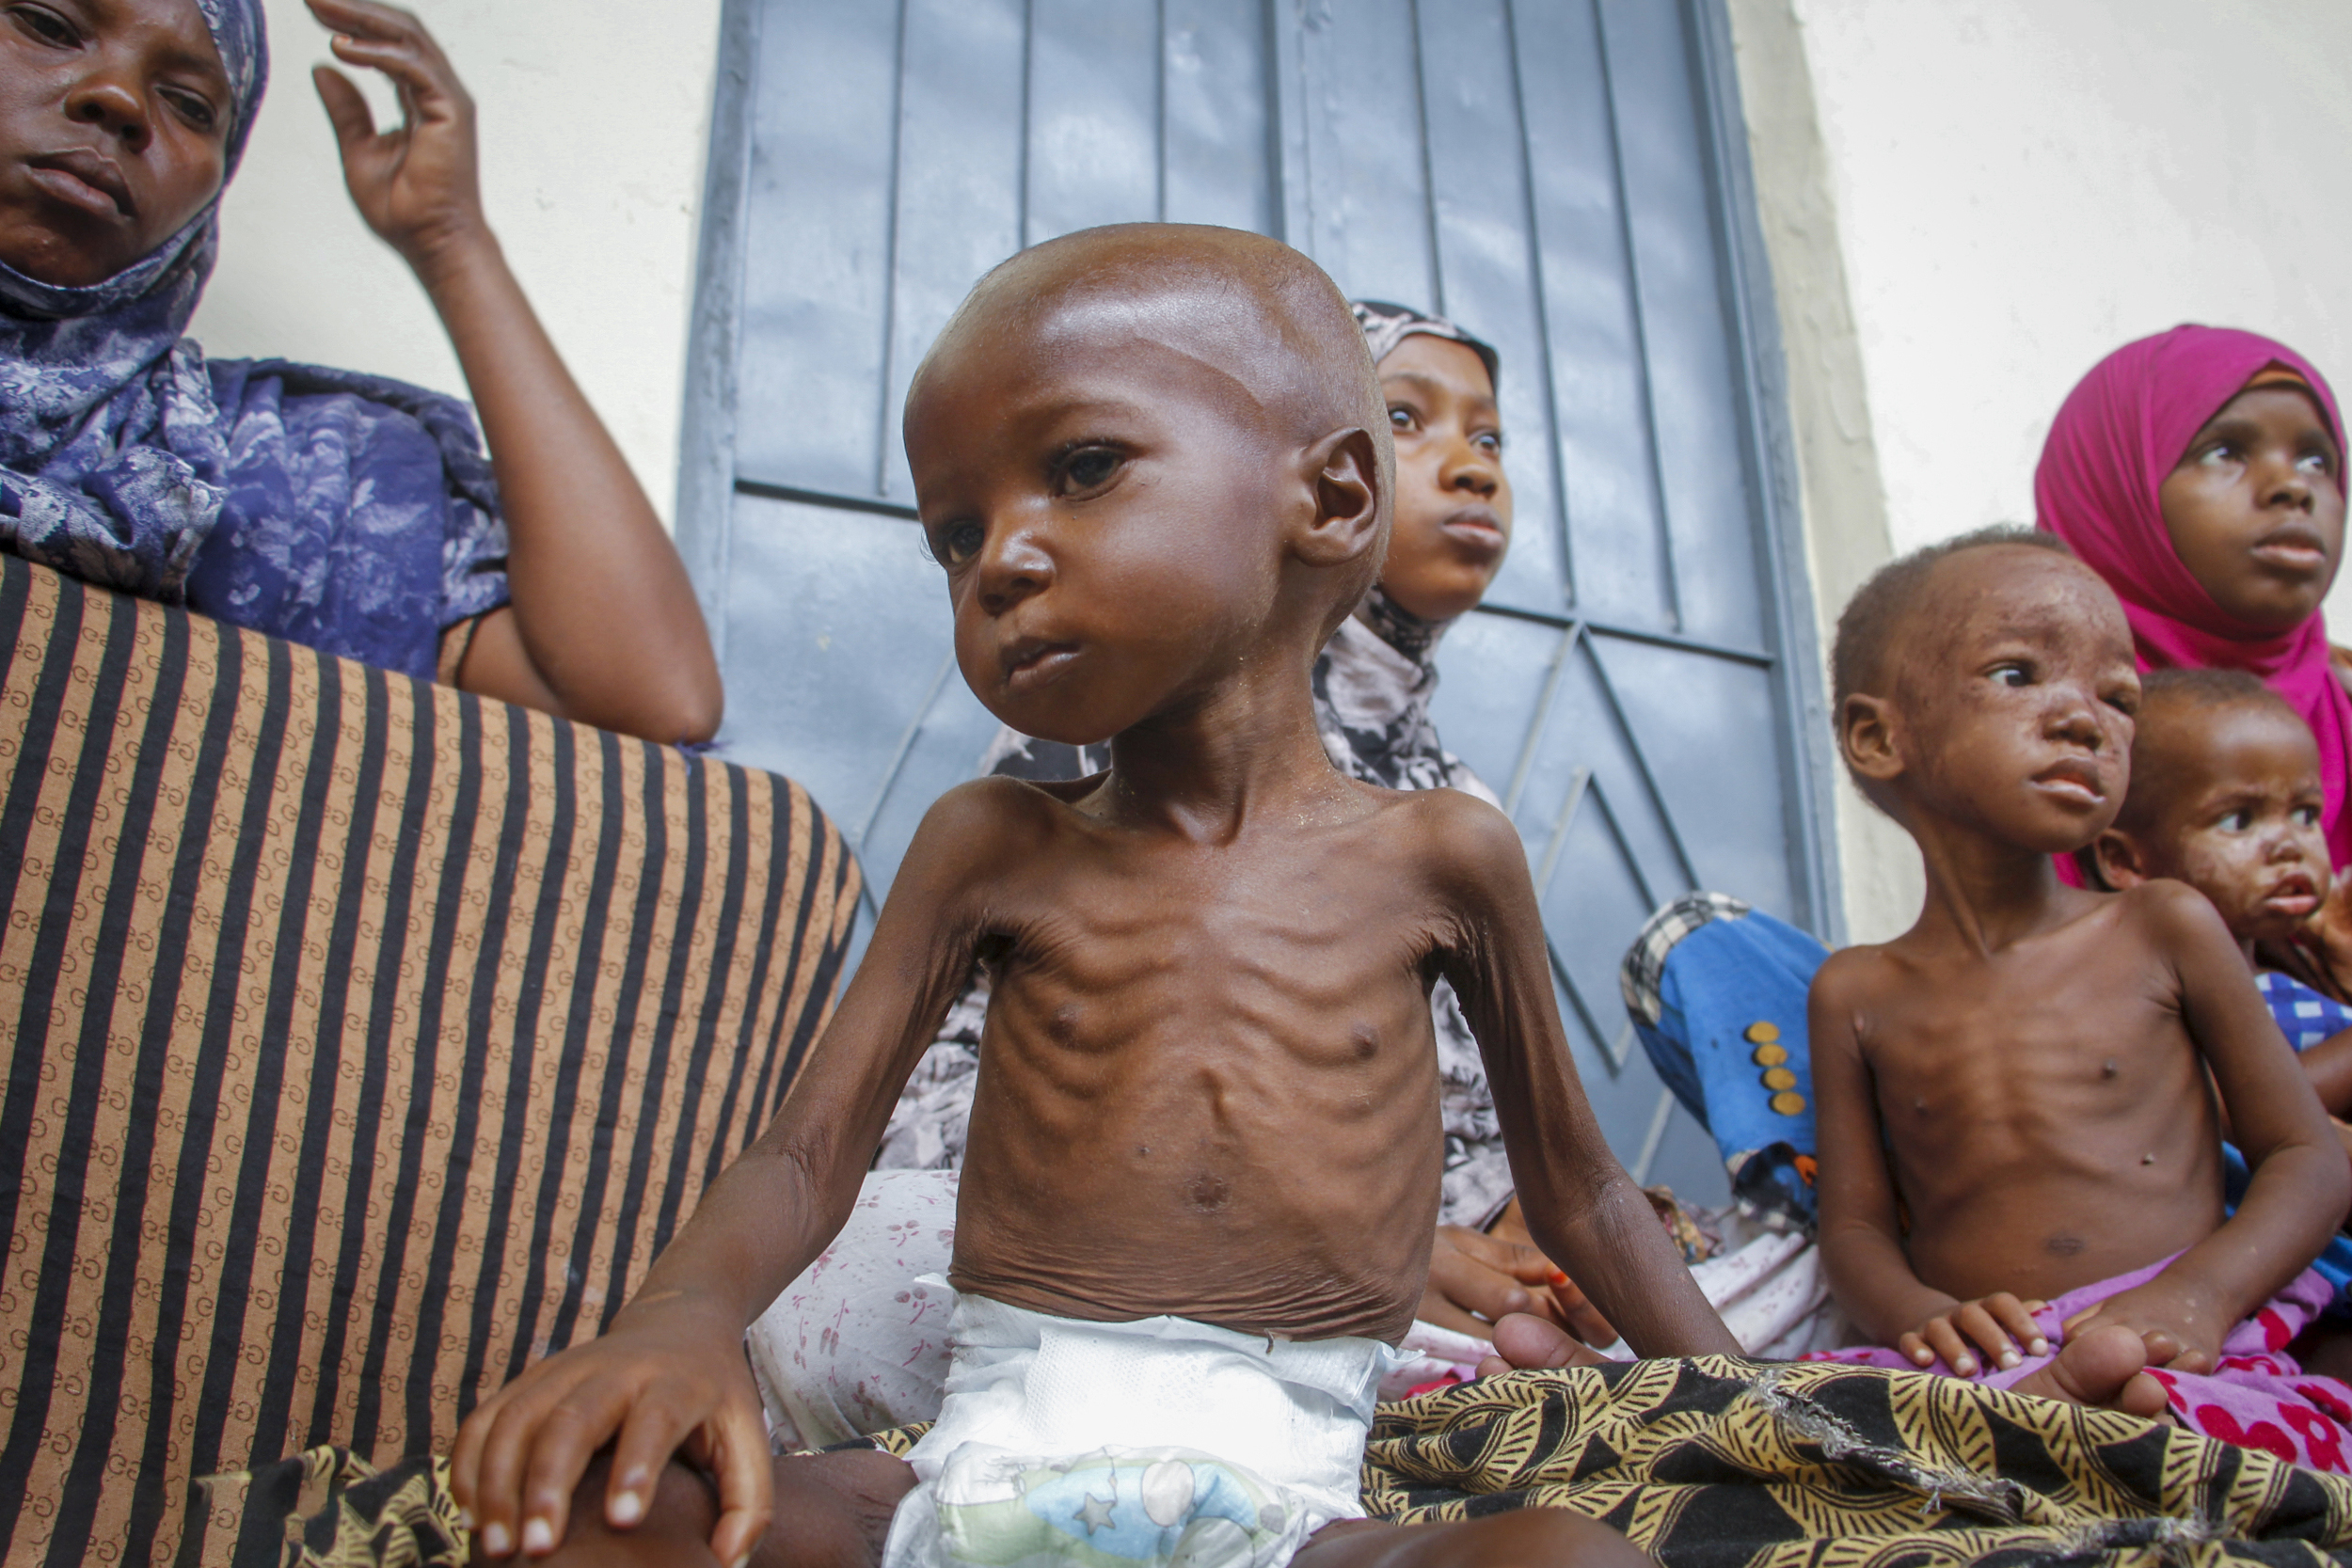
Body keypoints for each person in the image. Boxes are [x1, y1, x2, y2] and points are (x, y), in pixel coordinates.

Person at [450, 223, 1731, 1568]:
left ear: (1333, 497)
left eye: (1083, 468)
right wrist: (678, 1317)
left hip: (1291, 1508)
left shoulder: (1443, 854)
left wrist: (1767, 1404)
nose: (999, 559)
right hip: (960, 1474)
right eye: (955, 533)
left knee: (1575, 1560)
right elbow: (807, 1155)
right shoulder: (990, 841)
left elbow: (1582, 1189)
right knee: (582, 1517)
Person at [748, 300, 1632, 1453]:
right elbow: (938, 1129)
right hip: (1104, 1259)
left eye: (1491, 439)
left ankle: (1455, 1378)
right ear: (1331, 477)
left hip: (1392, 1278)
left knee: (1717, 1272)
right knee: (856, 1289)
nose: (1470, 467)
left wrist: (1520, 1232)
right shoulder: (1086, 744)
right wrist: (1346, 1248)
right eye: (1408, 416)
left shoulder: (1451, 809)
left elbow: (1476, 1130)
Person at [0, 0, 721, 742]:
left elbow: (653, 699)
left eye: (188, 104)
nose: (118, 99)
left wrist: (450, 239)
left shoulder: (272, 477)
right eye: (49, 25)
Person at [1793, 526, 2352, 1471]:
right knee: (1802, 1427)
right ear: (1879, 735)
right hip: (1981, 1357)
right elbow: (1851, 1225)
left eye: (2117, 696)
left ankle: (2086, 1420)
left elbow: (2306, 1157)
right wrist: (1919, 1314)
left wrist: (2200, 1295)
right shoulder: (1854, 990)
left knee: (2167, 1401)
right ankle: (2058, 1420)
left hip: (2172, 1331)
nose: (2085, 718)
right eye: (2018, 674)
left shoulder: (2162, 926)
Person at [2038, 326, 2346, 872]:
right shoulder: (2035, 744)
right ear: (2113, 496)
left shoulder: (2344, 706)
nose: (2292, 487)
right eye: (2224, 452)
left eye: (2317, 461)